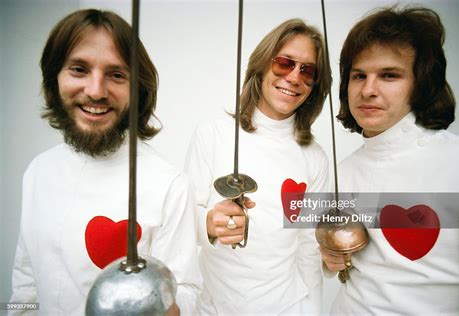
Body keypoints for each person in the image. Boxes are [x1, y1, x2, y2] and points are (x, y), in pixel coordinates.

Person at [9, 9, 201, 315]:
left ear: (137, 89)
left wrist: (171, 310)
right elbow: (25, 282)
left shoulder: (169, 184)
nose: (96, 91)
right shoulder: (37, 171)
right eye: (79, 69)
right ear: (54, 77)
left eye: (116, 75)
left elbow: (186, 290)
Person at [320, 6, 459, 314]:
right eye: (359, 76)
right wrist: (328, 256)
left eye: (389, 75)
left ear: (420, 83)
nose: (368, 90)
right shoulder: (341, 172)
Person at [185, 19, 331, 314]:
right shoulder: (212, 134)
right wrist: (210, 224)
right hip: (215, 308)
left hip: (289, 307)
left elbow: (308, 248)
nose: (293, 77)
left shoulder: (314, 156)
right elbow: (184, 225)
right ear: (263, 65)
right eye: (284, 63)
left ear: (315, 84)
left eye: (308, 70)